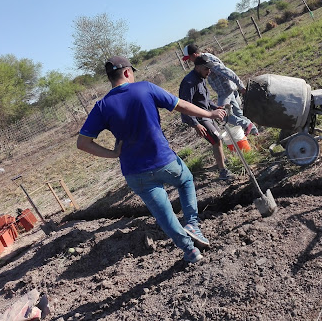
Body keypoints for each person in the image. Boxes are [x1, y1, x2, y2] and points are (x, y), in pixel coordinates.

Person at [77, 56, 226, 264]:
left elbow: (83, 143)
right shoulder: (145, 88)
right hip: (163, 160)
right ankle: (192, 223)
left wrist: (113, 154)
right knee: (185, 181)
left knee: (164, 214)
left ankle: (191, 252)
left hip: (134, 172)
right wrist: (209, 114)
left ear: (110, 77)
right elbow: (181, 105)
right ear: (128, 72)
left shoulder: (102, 106)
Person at [179, 55, 235, 181]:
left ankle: (222, 163)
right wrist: (195, 125)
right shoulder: (189, 83)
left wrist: (216, 107)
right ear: (198, 67)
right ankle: (223, 172)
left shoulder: (201, 78)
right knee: (216, 140)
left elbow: (205, 100)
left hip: (206, 114)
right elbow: (184, 106)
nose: (209, 72)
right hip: (198, 118)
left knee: (218, 138)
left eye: (209, 69)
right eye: (206, 69)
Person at [182, 44, 259, 136]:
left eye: (189, 58)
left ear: (194, 55)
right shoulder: (204, 59)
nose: (190, 61)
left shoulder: (206, 61)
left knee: (222, 116)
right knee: (238, 114)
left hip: (225, 91)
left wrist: (240, 86)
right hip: (228, 89)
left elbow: (227, 72)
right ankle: (254, 131)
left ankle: (247, 125)